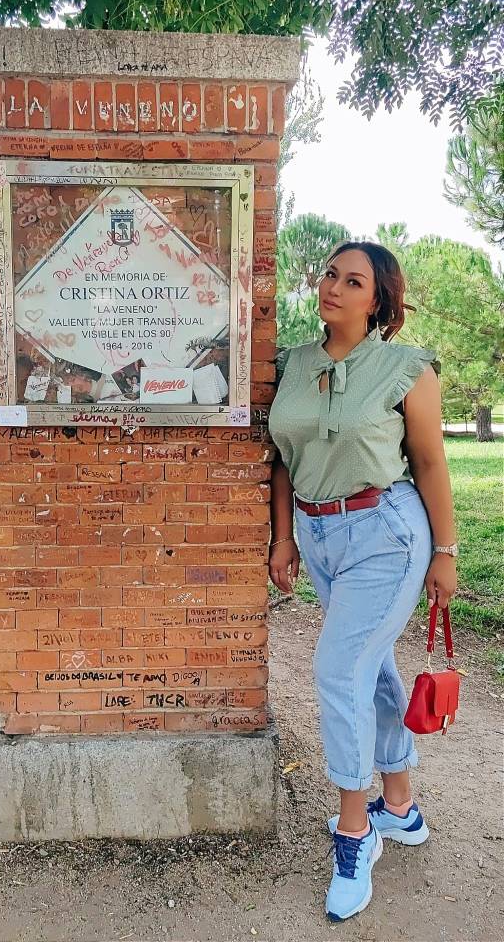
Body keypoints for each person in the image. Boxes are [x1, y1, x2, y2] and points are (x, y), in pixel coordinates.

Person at [268, 241, 458, 923]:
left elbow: (430, 463)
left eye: (354, 281)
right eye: (330, 274)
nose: (334, 287)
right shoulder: (290, 363)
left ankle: (356, 832)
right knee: (370, 668)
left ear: (378, 300)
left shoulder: (406, 369)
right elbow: (283, 457)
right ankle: (399, 806)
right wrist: (284, 536)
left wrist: (446, 552)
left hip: (387, 533)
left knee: (338, 669)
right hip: (319, 534)